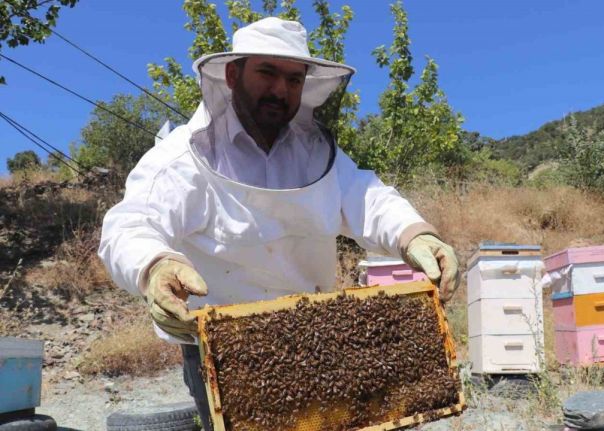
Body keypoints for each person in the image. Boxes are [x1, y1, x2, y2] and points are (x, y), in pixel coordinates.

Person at [98, 17, 460, 431]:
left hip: (321, 343)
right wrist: (154, 266)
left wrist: (416, 236)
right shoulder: (184, 157)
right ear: (233, 75)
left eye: (293, 78)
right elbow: (129, 224)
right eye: (267, 72)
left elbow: (368, 197)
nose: (280, 90)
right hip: (224, 353)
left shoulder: (315, 153)